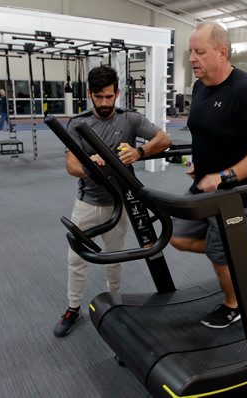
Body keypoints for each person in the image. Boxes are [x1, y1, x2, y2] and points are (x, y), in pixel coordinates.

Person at [170, 22, 247, 329]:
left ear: (222, 52)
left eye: (199, 52)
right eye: (190, 51)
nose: (192, 58)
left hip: (235, 193)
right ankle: (235, 253)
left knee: (219, 256)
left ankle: (234, 304)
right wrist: (201, 161)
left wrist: (225, 175)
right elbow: (208, 131)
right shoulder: (200, 86)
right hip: (203, 185)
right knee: (177, 237)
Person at [54, 65, 171, 337]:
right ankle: (73, 308)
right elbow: (71, 165)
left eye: (109, 96)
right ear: (89, 94)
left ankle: (114, 302)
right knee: (76, 259)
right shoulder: (78, 124)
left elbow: (163, 139)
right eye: (99, 97)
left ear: (117, 92)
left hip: (120, 203)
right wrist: (90, 165)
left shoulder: (129, 119)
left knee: (114, 257)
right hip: (87, 201)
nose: (105, 103)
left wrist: (139, 152)